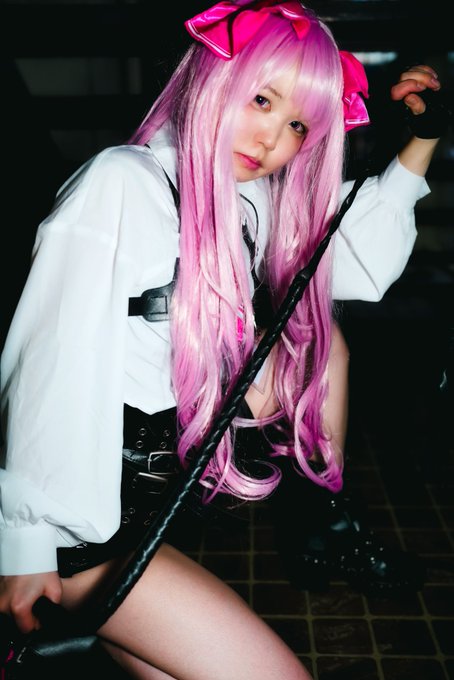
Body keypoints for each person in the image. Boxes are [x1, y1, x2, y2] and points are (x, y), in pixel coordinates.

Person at [0, 1, 446, 678]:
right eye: (261, 99)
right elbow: (46, 369)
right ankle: (323, 518)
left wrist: (421, 143)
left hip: (142, 511)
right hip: (75, 525)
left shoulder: (245, 198)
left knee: (322, 341)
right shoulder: (121, 184)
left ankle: (323, 514)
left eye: (298, 124)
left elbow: (358, 263)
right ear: (213, 77)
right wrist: (24, 543)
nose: (270, 138)